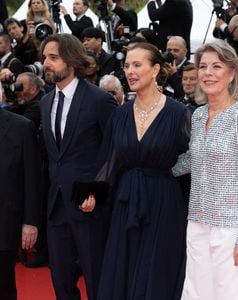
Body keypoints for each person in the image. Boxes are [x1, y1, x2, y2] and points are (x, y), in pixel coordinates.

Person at [93, 42, 190, 299]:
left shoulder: (179, 113)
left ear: (155, 69)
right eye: (126, 65)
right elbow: (109, 162)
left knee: (158, 270)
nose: (130, 71)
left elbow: (193, 160)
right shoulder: (120, 114)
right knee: (124, 267)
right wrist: (89, 194)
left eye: (137, 65)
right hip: (126, 201)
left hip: (163, 201)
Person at [172, 39, 238, 300]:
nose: (208, 73)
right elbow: (194, 159)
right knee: (197, 293)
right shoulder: (199, 115)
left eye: (216, 66)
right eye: (203, 67)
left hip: (232, 228)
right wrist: (156, 166)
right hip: (198, 222)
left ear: (232, 73)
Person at [40, 33, 116, 300]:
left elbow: (112, 152)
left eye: (53, 58)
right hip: (57, 205)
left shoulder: (99, 100)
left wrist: (95, 191)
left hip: (89, 206)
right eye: (44, 58)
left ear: (71, 60)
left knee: (96, 277)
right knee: (60, 279)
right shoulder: (46, 101)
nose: (46, 63)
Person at [0, 108, 41, 300]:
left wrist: (30, 222)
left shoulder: (22, 127)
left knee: (4, 286)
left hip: (5, 223)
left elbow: (33, 178)